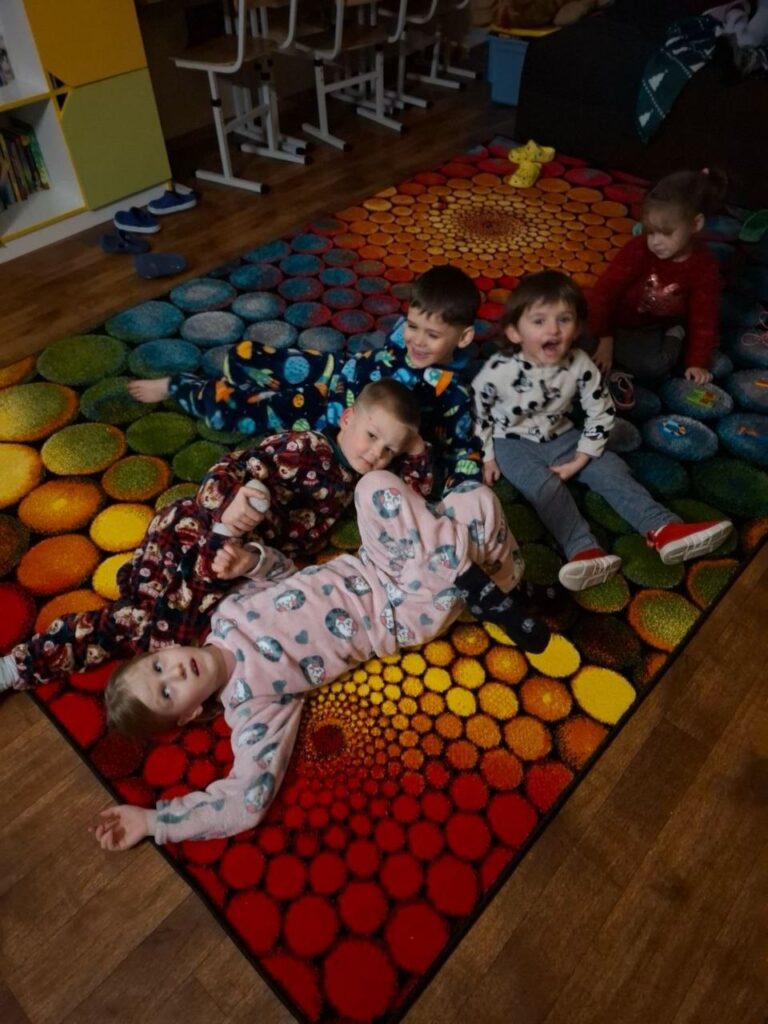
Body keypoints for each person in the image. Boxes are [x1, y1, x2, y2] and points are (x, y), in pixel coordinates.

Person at [86, 469, 548, 850]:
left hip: (374, 562)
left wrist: (251, 563)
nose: (174, 673)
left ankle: (492, 585)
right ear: (189, 713)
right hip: (401, 611)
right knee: (473, 509)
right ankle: (487, 585)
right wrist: (155, 822)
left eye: (158, 667)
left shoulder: (225, 615)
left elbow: (286, 574)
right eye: (168, 693)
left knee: (388, 487)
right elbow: (245, 801)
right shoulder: (252, 703)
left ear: (164, 650)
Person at [0, 381, 431, 692]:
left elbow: (413, 494)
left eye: (388, 451)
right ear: (347, 417)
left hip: (239, 562)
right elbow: (232, 466)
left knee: (183, 630)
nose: (375, 454)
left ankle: (143, 598)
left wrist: (416, 449)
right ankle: (20, 667)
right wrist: (232, 501)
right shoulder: (305, 448)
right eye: (371, 436)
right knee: (145, 629)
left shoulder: (363, 479)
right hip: (199, 530)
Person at [471, 270, 733, 591]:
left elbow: (601, 411)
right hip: (510, 442)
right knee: (544, 488)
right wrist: (488, 456)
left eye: (564, 319)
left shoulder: (580, 363)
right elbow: (480, 412)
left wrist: (582, 457)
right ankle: (582, 549)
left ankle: (663, 527)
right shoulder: (498, 370)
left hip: (562, 434)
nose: (553, 329)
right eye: (539, 321)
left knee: (611, 468)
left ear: (578, 328)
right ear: (514, 332)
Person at [127, 265, 483, 493]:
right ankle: (246, 371)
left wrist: (465, 492)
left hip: (325, 417)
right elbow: (376, 355)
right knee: (247, 357)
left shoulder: (454, 394)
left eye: (432, 335)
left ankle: (184, 387)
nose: (417, 341)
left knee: (238, 411)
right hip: (338, 371)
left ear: (464, 337)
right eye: (413, 327)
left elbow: (462, 449)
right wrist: (349, 368)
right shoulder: (402, 335)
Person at [585, 168, 728, 410]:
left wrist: (697, 362)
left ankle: (674, 335)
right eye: (650, 232)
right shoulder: (638, 250)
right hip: (614, 319)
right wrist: (604, 337)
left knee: (653, 367)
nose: (655, 242)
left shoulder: (704, 267)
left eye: (666, 233)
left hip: (649, 328)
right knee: (566, 335)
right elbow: (603, 294)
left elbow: (704, 318)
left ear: (695, 224)